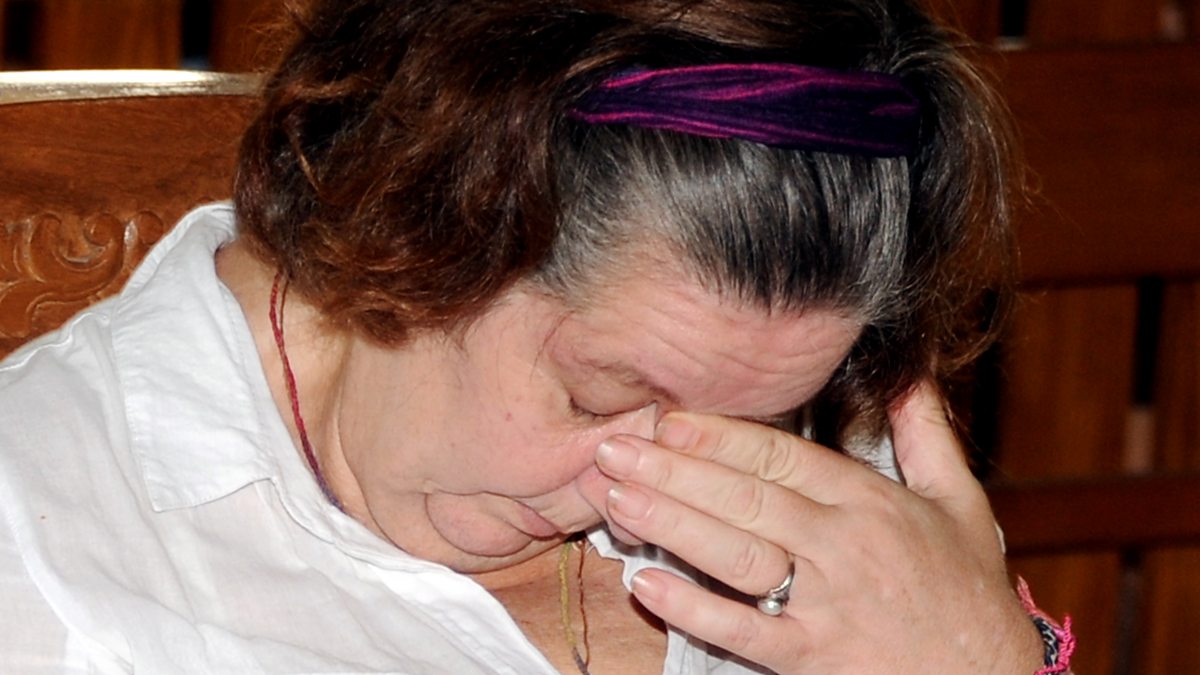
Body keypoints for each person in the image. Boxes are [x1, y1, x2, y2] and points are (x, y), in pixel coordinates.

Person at [0, 0, 1076, 673]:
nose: (643, 489)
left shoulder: (781, 404)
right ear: (413, 220)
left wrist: (989, 658)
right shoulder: (52, 544)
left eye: (752, 424)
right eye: (597, 398)